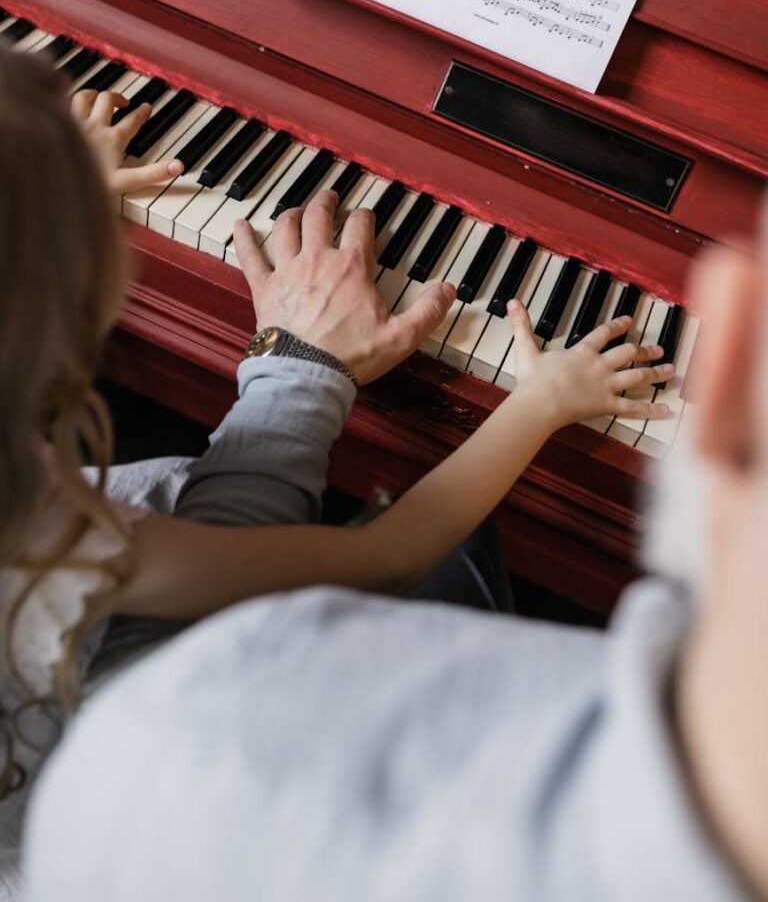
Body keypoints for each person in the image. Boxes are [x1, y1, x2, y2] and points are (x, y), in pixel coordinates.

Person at [0, 43, 671, 894]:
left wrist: (46, 215)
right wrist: (538, 400)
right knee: (457, 579)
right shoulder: (45, 537)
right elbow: (385, 554)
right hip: (94, 832)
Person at [21, 239, 768, 902]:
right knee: (471, 552)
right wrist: (539, 401)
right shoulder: (121, 645)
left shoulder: (102, 798)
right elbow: (387, 558)